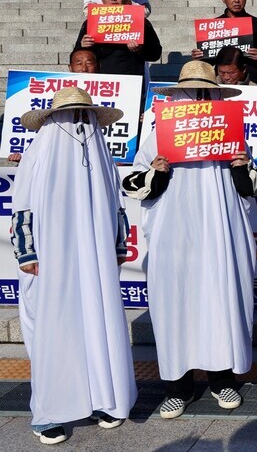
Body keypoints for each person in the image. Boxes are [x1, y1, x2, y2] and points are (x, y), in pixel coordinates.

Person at [122, 60, 257, 420]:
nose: (199, 100)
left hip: (220, 232)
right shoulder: (158, 136)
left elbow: (252, 187)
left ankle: (222, 378)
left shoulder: (232, 132)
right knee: (177, 304)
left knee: (220, 300)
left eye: (207, 93)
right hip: (176, 233)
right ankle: (178, 386)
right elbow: (134, 185)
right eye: (192, 92)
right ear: (178, 95)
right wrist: (157, 170)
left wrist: (239, 164)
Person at [12, 87, 136, 445]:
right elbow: (23, 207)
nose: (80, 123)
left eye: (85, 115)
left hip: (95, 259)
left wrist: (116, 246)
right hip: (51, 259)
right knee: (55, 330)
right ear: (53, 120)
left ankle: (102, 399)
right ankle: (50, 411)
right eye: (72, 116)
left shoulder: (100, 152)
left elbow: (116, 203)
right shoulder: (41, 151)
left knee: (98, 323)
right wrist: (27, 253)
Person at [191, 0, 257, 86]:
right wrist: (199, 56)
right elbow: (208, 61)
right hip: (222, 82)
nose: (236, 0)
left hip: (252, 81)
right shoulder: (214, 26)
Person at [75, 0, 162, 77]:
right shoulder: (90, 22)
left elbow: (156, 54)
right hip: (101, 83)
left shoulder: (141, 21)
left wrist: (139, 49)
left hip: (131, 82)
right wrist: (82, 46)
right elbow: (76, 56)